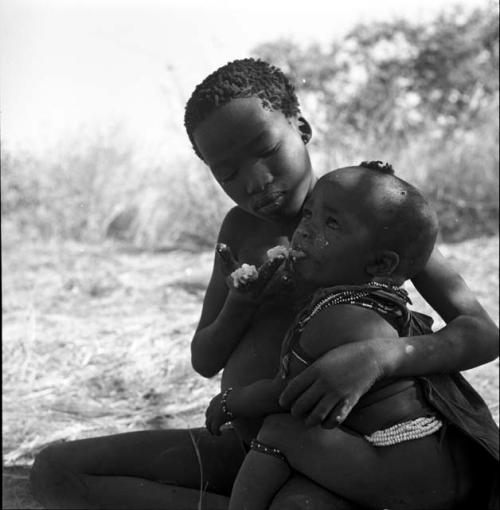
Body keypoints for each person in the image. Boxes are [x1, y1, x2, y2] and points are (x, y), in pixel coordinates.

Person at [30, 58, 498, 510]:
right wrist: (241, 303)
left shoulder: (366, 216)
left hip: (346, 451)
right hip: (249, 445)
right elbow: (204, 358)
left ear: (302, 128)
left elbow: (481, 331)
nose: (254, 181)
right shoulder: (240, 232)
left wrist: (379, 357)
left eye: (266, 150)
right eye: (227, 171)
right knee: (53, 470)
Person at [205, 162, 499, 510]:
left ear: (380, 265)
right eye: (309, 214)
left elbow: (288, 394)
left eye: (330, 224)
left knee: (279, 430)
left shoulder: (342, 318)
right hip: (426, 465)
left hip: (403, 467)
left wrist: (231, 402)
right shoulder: (373, 305)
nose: (304, 231)